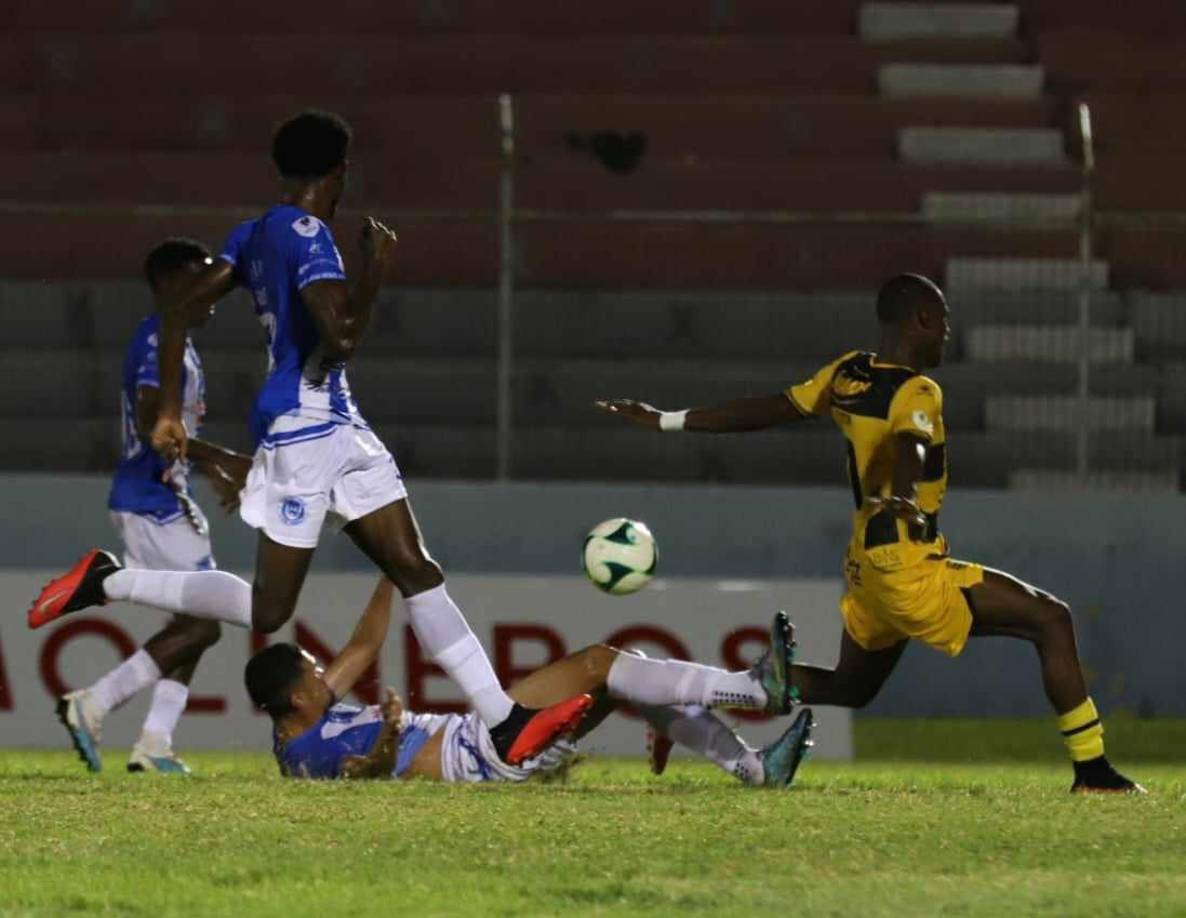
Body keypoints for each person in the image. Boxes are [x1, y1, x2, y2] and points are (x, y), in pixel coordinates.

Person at [596, 273, 1142, 794]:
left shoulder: (848, 373)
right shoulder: (919, 390)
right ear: (923, 320)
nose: (948, 332)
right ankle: (1093, 770)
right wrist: (904, 492)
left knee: (850, 687)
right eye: (944, 321)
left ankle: (683, 704)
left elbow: (771, 408)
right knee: (1050, 619)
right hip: (906, 564)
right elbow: (912, 444)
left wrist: (668, 418)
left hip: (866, 564)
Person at [245, 577, 814, 787]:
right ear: (297, 695)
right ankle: (756, 690)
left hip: (480, 746)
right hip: (483, 754)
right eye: (315, 672)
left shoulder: (306, 717)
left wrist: (394, 570)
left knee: (625, 675)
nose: (326, 671)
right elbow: (363, 774)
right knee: (599, 662)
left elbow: (363, 646)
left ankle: (754, 769)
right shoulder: (309, 754)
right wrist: (391, 737)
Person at [56, 238, 252, 775]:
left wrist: (207, 466)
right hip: (150, 501)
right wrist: (223, 460)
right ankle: (96, 702)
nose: (213, 290)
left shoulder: (178, 345)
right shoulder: (154, 341)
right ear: (169, 285)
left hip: (167, 498)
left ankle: (154, 743)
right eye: (201, 278)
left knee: (193, 628)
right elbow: (151, 420)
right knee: (205, 623)